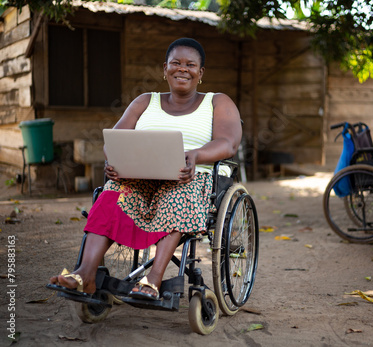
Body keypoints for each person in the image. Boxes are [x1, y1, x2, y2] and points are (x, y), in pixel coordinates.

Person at [49, 38, 242, 301]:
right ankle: (86, 273)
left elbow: (228, 142)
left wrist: (196, 154)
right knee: (112, 192)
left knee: (178, 193)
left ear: (201, 72)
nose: (182, 69)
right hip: (142, 177)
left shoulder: (217, 102)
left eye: (190, 64)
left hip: (193, 177)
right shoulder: (145, 101)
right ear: (165, 68)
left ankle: (153, 279)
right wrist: (114, 161)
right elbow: (115, 139)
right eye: (175, 63)